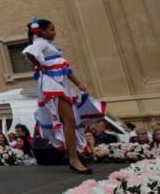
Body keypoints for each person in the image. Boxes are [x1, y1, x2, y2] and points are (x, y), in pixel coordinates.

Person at [22, 17, 105, 175]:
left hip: (61, 86)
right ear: (43, 31)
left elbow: (65, 69)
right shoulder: (40, 43)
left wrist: (79, 83)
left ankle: (72, 155)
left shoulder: (51, 46)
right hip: (52, 86)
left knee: (70, 122)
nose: (55, 32)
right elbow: (28, 52)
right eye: (52, 29)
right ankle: (74, 159)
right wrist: (39, 65)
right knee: (70, 122)